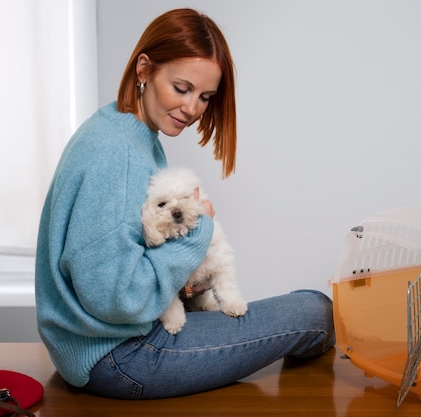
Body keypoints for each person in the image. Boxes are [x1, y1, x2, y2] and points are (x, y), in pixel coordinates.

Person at [35, 8, 335, 400]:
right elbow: (116, 299)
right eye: (182, 88)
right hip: (120, 356)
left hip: (99, 345)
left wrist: (183, 276)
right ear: (144, 69)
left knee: (302, 309)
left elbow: (127, 260)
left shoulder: (124, 132)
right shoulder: (118, 153)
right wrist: (198, 234)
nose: (193, 108)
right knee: (315, 311)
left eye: (205, 97)